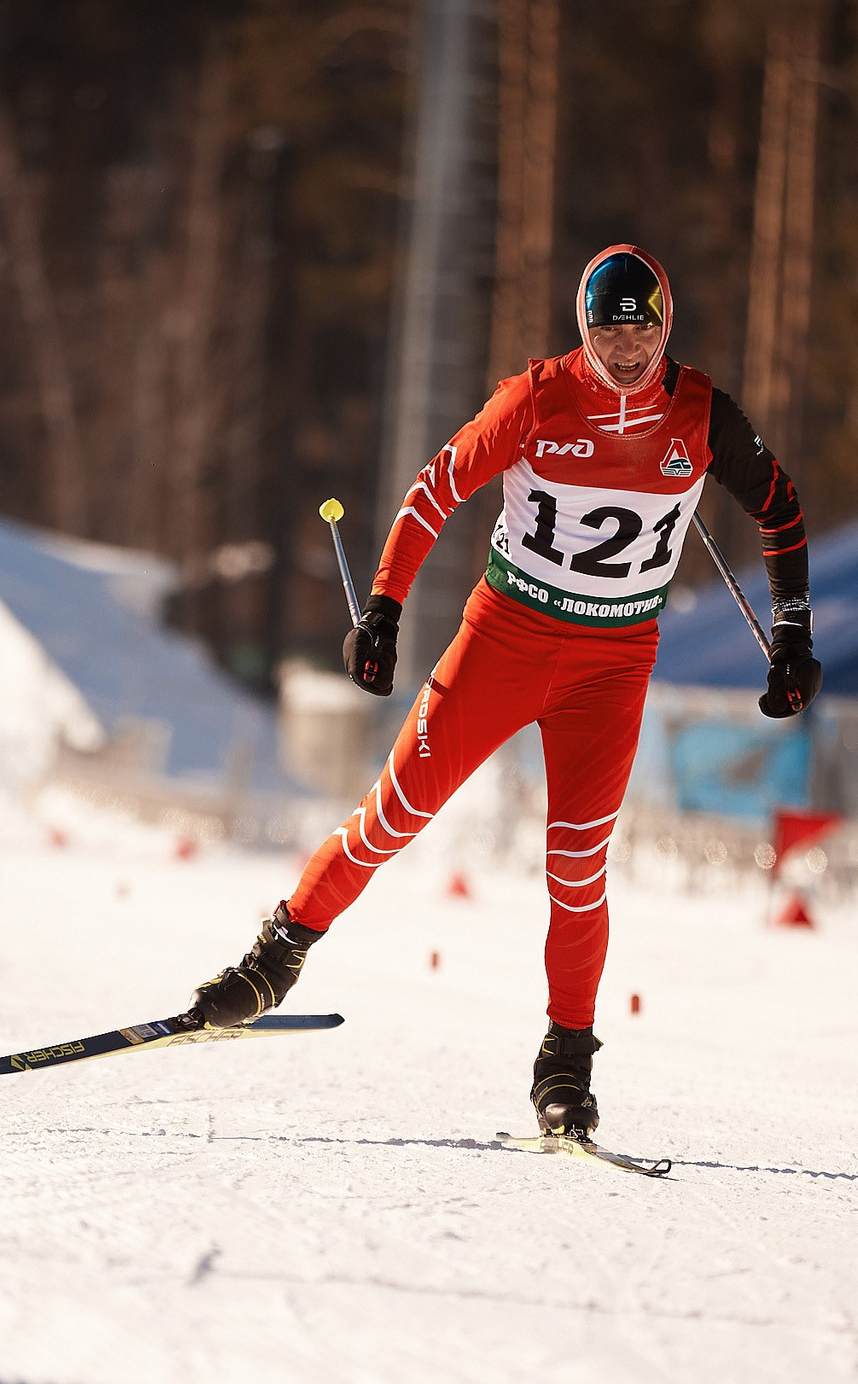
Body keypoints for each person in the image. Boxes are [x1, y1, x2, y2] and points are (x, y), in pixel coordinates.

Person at [185, 244, 820, 1140]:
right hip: (506, 641)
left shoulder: (701, 412)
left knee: (577, 867)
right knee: (395, 812)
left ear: (666, 324)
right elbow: (432, 490)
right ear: (584, 329)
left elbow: (781, 507)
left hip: (612, 667)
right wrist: (383, 611)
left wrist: (791, 635)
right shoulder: (535, 399)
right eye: (609, 330)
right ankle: (276, 954)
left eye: (643, 329)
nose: (628, 348)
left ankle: (566, 1061)